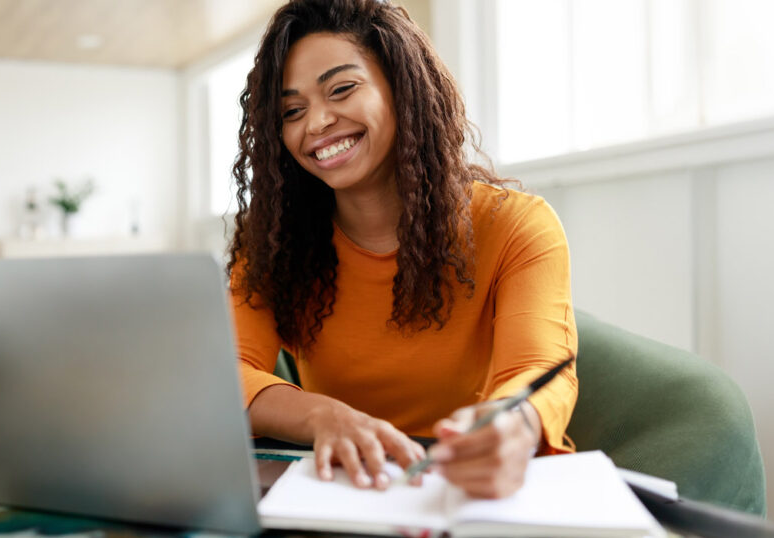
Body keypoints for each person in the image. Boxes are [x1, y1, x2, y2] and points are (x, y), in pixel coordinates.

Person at [228, 0, 577, 499]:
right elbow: (226, 373)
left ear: (402, 86)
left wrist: (514, 429)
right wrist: (323, 415)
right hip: (341, 489)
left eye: (342, 89)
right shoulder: (274, 242)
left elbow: (538, 372)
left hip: (464, 492)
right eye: (292, 111)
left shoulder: (517, 226)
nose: (317, 123)